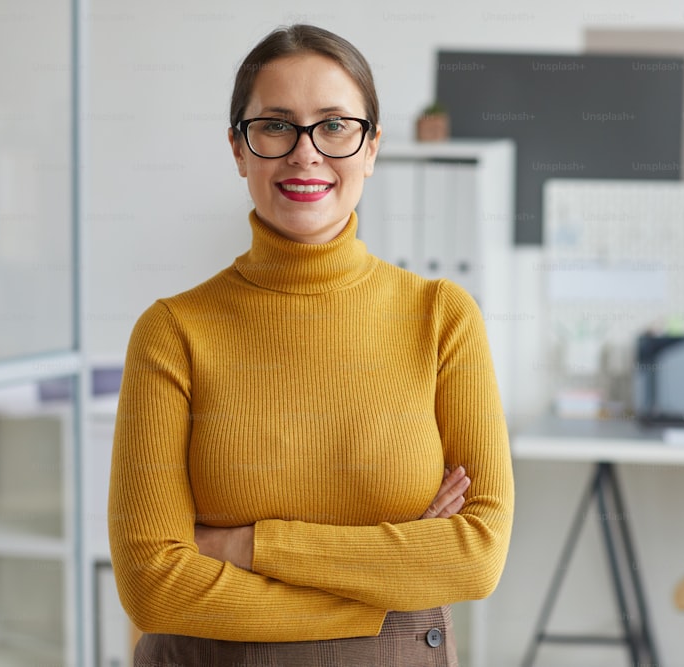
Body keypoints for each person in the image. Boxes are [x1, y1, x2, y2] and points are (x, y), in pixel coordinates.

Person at [108, 24, 514, 666]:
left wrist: (243, 546)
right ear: (240, 150)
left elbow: (476, 555)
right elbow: (153, 586)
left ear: (372, 147)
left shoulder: (441, 317)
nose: (306, 154)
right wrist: (383, 595)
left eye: (334, 125)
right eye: (275, 125)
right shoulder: (172, 332)